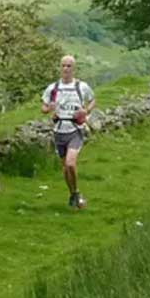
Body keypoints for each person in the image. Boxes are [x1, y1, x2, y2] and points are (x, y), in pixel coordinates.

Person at [40, 55, 96, 209]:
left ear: (74, 68)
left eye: (69, 66)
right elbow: (43, 107)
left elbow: (92, 100)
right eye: (63, 65)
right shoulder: (53, 88)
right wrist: (49, 109)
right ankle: (74, 193)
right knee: (65, 167)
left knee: (71, 164)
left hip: (75, 130)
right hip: (59, 130)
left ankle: (75, 193)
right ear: (60, 67)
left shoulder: (81, 86)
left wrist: (85, 111)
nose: (65, 69)